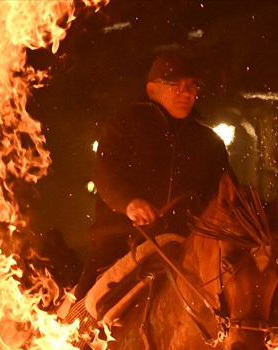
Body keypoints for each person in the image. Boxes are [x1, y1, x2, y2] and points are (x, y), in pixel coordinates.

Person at [75, 52, 235, 298]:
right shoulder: (124, 125)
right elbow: (105, 172)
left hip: (186, 246)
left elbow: (227, 193)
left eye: (192, 86)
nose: (187, 92)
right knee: (86, 303)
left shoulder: (208, 142)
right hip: (121, 239)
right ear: (152, 90)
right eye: (176, 85)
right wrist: (129, 202)